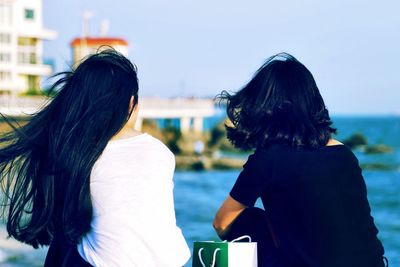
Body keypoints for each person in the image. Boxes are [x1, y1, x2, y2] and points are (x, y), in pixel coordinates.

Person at [0, 50, 190, 266]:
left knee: (66, 237)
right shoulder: (162, 153)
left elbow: (68, 224)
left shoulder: (77, 154)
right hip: (173, 261)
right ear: (132, 104)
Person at [213, 53, 387, 267]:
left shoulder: (269, 160)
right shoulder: (345, 155)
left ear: (265, 107)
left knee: (251, 219)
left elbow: (222, 223)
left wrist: (268, 227)